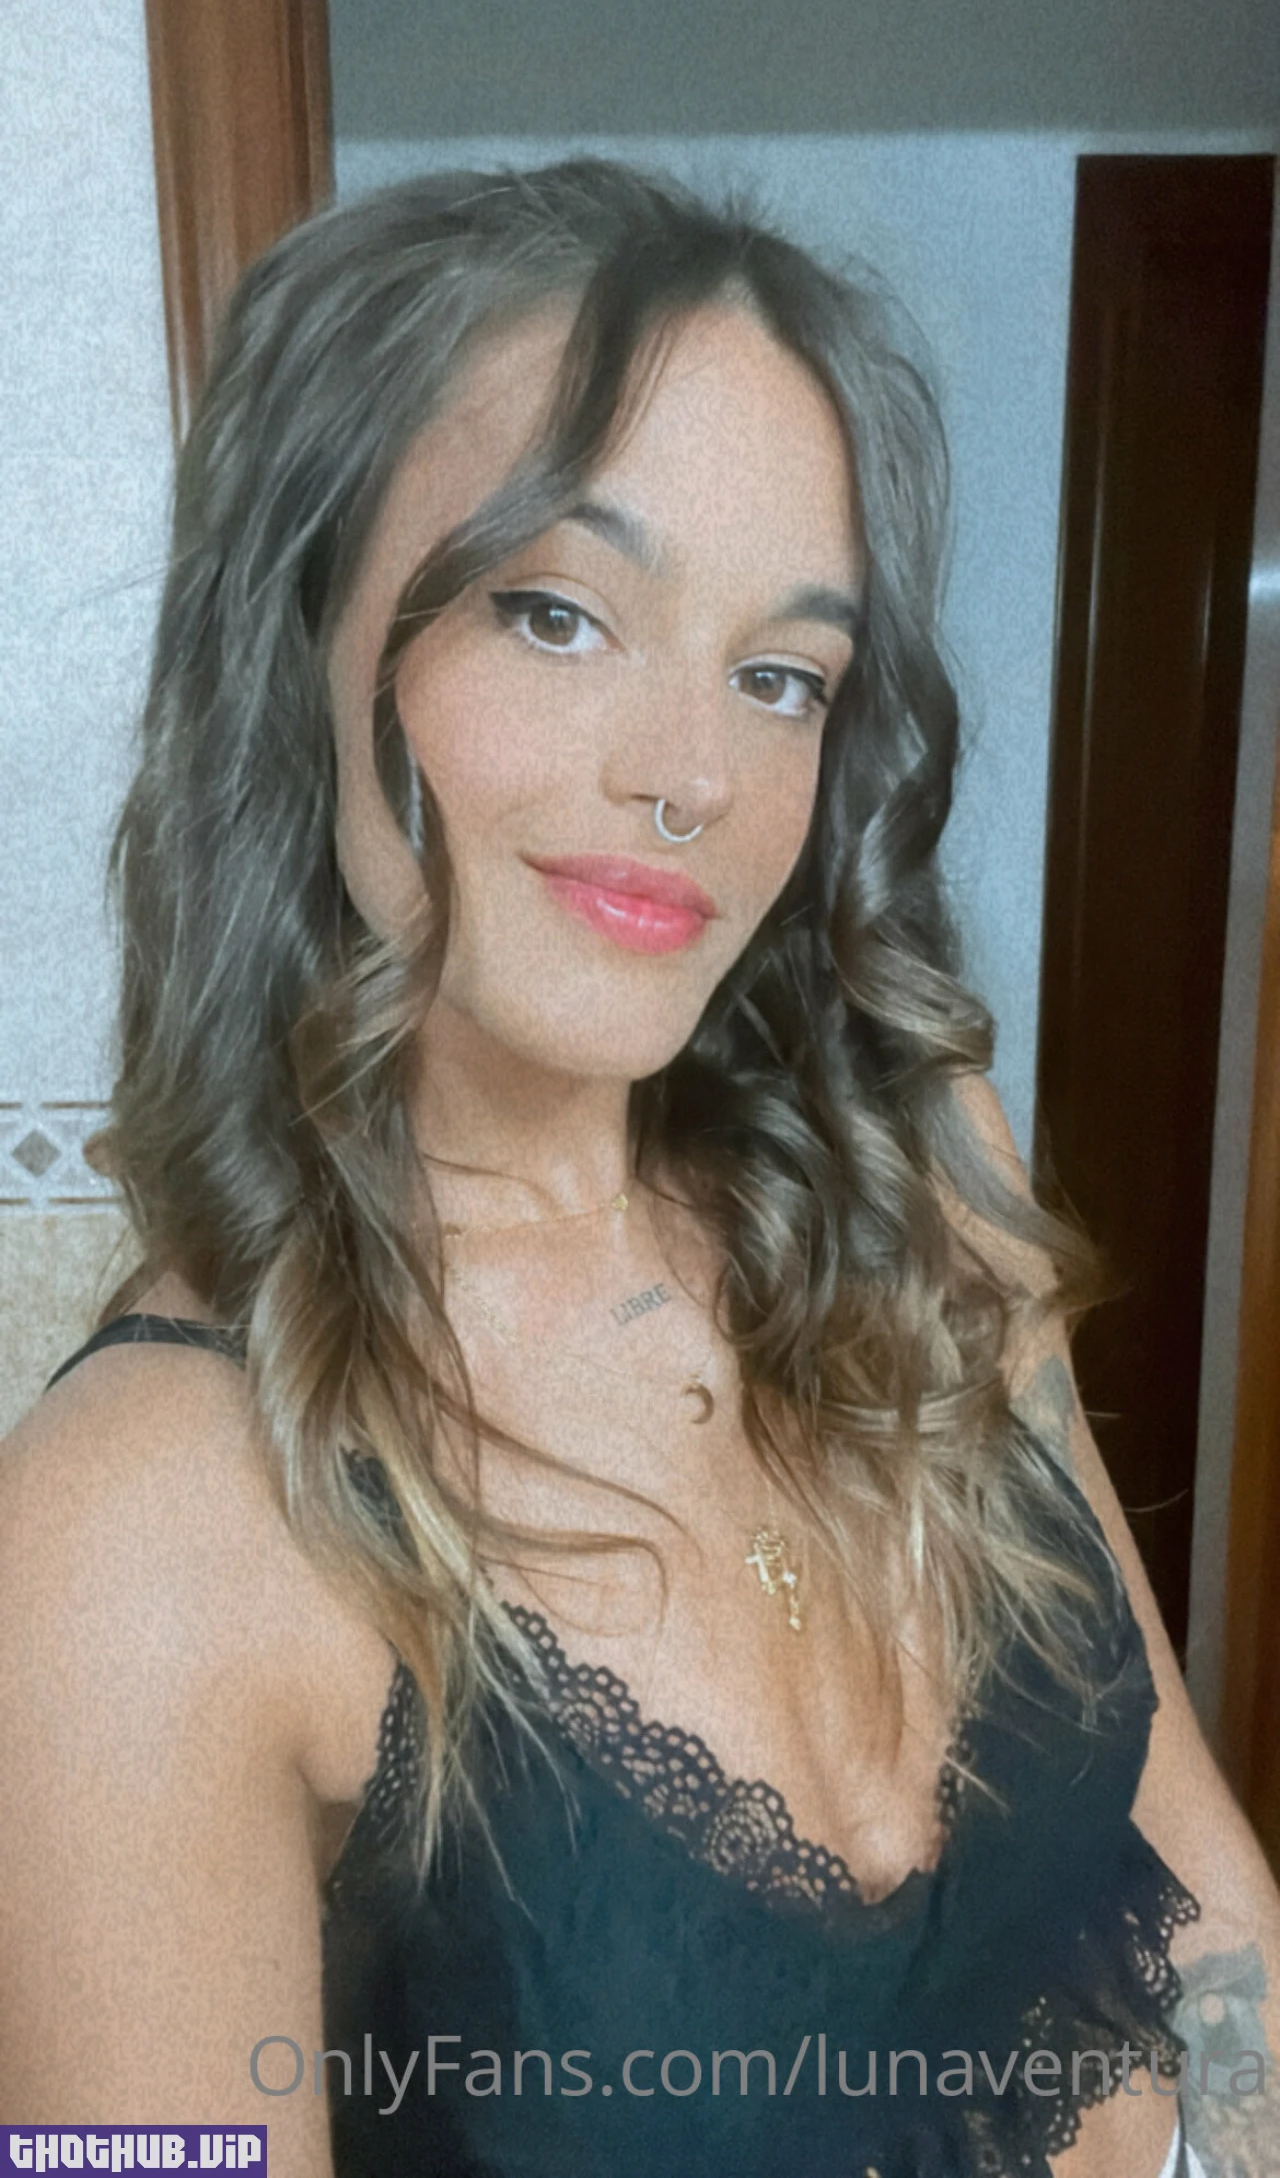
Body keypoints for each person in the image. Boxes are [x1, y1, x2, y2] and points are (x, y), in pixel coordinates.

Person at [0, 159, 1275, 2178]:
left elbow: (1192, 1877)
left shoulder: (914, 1176)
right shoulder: (131, 1536)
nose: (695, 774)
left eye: (781, 674)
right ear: (299, 626)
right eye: (558, 612)